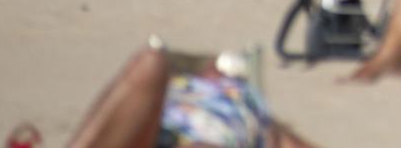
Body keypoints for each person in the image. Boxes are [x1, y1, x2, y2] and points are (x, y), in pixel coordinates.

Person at [60, 41, 320, 148]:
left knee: (151, 63)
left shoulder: (256, 118)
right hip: (174, 129)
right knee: (151, 63)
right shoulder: (256, 116)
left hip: (171, 133)